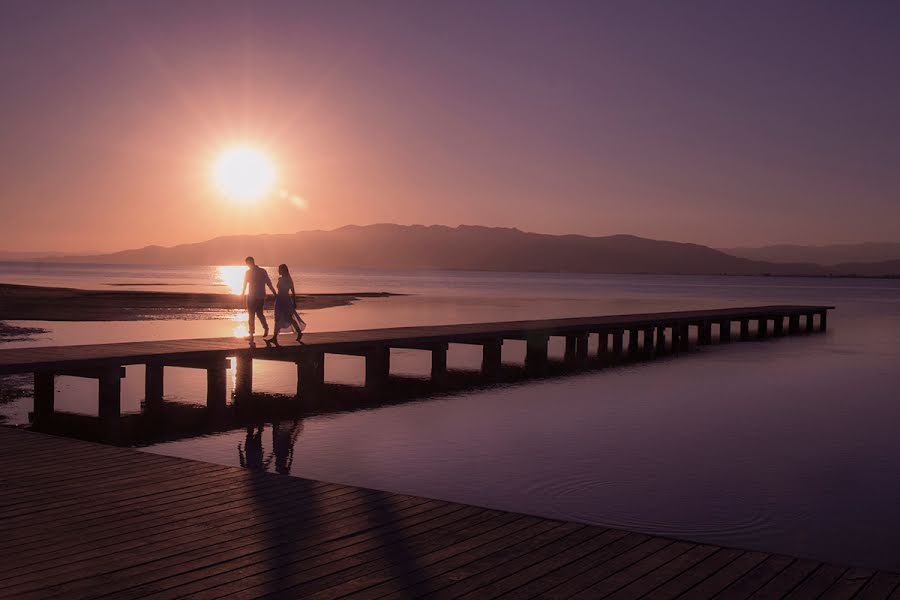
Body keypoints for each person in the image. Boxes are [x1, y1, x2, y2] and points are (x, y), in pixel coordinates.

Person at [265, 263, 306, 347]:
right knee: (278, 318)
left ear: (283, 270)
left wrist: (294, 302)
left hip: (285, 300)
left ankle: (299, 332)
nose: (278, 271)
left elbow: (293, 292)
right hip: (279, 300)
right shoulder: (281, 279)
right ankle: (275, 337)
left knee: (289, 318)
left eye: (279, 269)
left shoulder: (288, 279)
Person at [240, 256, 276, 340]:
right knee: (256, 314)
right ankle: (255, 332)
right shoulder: (258, 271)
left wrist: (274, 292)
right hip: (256, 296)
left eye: (247, 263)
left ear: (250, 262)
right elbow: (268, 282)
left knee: (255, 315)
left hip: (256, 296)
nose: (247, 265)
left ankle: (258, 331)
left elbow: (268, 282)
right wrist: (274, 292)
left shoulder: (257, 271)